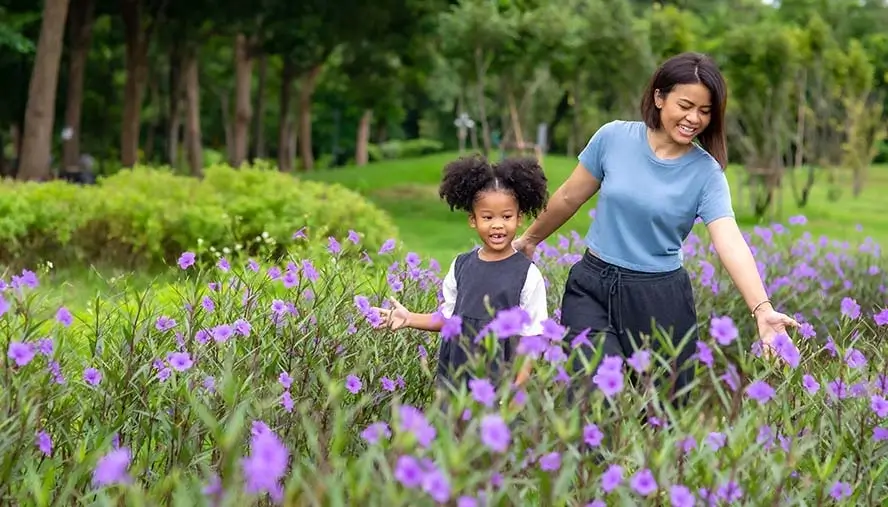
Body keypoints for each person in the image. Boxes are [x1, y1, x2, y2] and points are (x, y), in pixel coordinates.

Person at [511, 52, 799, 404]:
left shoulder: (706, 174)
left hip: (660, 300)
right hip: (592, 288)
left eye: (705, 111)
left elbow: (729, 242)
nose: (694, 118)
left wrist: (762, 309)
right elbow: (570, 196)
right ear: (659, 97)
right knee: (590, 398)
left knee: (665, 413)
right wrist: (530, 239)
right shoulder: (613, 138)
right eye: (686, 105)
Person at [373, 155, 550, 392]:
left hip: (501, 383)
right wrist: (409, 318)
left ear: (519, 219)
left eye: (506, 217)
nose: (497, 225)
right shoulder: (461, 265)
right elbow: (450, 319)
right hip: (456, 379)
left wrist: (518, 386)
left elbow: (533, 336)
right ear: (473, 221)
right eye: (487, 217)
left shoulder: (527, 274)